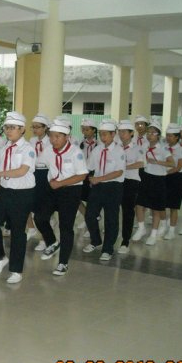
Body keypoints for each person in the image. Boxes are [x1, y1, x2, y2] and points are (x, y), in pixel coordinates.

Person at [34, 118, 88, 276]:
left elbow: (82, 175)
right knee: (40, 217)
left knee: (66, 227)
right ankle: (52, 242)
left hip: (70, 190)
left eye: (57, 136)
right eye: (51, 136)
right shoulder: (48, 150)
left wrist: (61, 183)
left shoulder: (75, 152)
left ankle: (63, 262)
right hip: (53, 189)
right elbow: (38, 164)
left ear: (67, 137)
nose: (53, 140)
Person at [0, 112, 36, 284]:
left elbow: (22, 171)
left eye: (13, 128)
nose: (9, 131)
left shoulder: (27, 149)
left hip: (22, 194)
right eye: (7, 127)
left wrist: (0, 174)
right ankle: (0, 257)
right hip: (4, 192)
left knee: (17, 231)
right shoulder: (4, 149)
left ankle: (16, 270)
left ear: (22, 129)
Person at [82, 120, 125, 261]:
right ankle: (96, 241)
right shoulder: (97, 150)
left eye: (105, 134)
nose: (102, 137)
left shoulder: (119, 151)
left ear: (113, 134)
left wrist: (99, 178)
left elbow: (119, 172)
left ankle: (108, 249)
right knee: (90, 215)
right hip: (98, 186)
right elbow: (88, 167)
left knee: (111, 219)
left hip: (113, 186)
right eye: (101, 134)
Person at [131, 121, 174, 246]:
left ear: (158, 135)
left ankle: (153, 234)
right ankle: (141, 228)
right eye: (148, 133)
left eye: (153, 133)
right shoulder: (144, 146)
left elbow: (172, 163)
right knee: (139, 205)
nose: (150, 135)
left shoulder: (163, 148)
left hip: (159, 179)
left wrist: (157, 162)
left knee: (156, 208)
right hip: (146, 177)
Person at [116, 120, 145, 254]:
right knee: (113, 210)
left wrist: (123, 167)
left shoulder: (137, 148)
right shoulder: (116, 147)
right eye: (120, 132)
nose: (121, 134)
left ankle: (125, 240)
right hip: (116, 180)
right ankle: (113, 235)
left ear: (131, 133)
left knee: (127, 211)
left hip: (130, 181)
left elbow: (140, 163)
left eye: (124, 132)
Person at [28, 113, 51, 248]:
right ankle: (31, 228)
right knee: (29, 204)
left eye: (37, 127)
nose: (35, 130)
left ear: (45, 128)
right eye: (33, 127)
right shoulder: (31, 141)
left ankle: (44, 239)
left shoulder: (51, 141)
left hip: (46, 173)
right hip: (33, 172)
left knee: (43, 208)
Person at [162, 123, 182, 240]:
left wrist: (166, 172)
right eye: (167, 135)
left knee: (173, 206)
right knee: (162, 204)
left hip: (176, 178)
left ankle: (171, 230)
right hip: (163, 177)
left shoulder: (181, 149)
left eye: (170, 136)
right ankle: (162, 226)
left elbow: (179, 166)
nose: (168, 138)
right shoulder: (163, 147)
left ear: (177, 137)